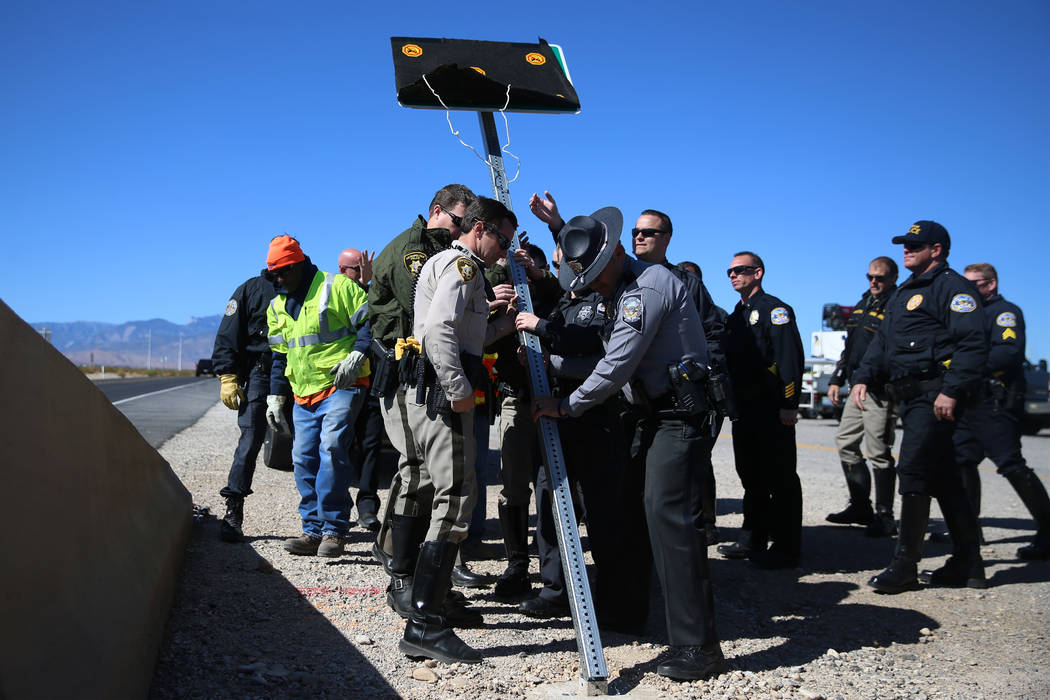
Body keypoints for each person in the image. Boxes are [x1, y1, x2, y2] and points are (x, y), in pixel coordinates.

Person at [533, 208, 728, 682]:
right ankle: (629, 613)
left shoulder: (649, 288)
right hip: (649, 415)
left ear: (619, 254)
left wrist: (566, 406)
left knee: (669, 518)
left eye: (599, 273)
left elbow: (616, 363)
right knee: (633, 514)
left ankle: (697, 646)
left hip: (678, 416)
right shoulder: (621, 286)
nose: (594, 284)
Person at [397, 197, 518, 664]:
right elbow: (438, 332)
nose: (502, 251)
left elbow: (468, 334)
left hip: (440, 391)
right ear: (480, 228)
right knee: (456, 499)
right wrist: (458, 388)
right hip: (446, 395)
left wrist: (501, 323)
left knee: (446, 495)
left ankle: (432, 602)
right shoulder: (463, 267)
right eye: (501, 240)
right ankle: (424, 623)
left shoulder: (458, 267)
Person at [367, 184, 491, 607]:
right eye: (460, 219)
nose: (463, 227)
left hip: (423, 370)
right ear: (438, 212)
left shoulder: (444, 256)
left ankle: (411, 570)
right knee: (417, 471)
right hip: (410, 371)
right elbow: (431, 319)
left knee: (421, 473)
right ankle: (401, 573)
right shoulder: (414, 253)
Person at [850, 220, 989, 593]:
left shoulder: (953, 289)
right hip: (910, 397)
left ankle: (905, 565)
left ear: (937, 249)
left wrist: (953, 390)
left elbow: (973, 343)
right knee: (943, 480)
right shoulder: (904, 293)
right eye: (905, 244)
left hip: (937, 396)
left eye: (915, 244)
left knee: (912, 471)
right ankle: (969, 563)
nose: (907, 249)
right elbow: (882, 343)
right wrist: (863, 376)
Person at [264, 234, 371, 558]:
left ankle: (334, 531)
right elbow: (280, 356)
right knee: (302, 457)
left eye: (283, 272)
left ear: (299, 265)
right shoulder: (277, 306)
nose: (279, 280)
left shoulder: (337, 287)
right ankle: (312, 529)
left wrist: (356, 356)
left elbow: (369, 324)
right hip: (303, 393)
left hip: (342, 385)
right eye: (274, 275)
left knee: (332, 447)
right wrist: (275, 396)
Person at [953, 263, 1049, 560]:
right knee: (962, 460)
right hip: (971, 400)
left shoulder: (1004, 312)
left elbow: (1007, 352)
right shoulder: (972, 314)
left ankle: (1048, 531)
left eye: (974, 284)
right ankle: (970, 530)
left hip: (996, 400)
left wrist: (966, 365)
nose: (968, 290)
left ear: (991, 284)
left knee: (1011, 464)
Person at [484, 241, 562, 599]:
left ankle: (556, 568)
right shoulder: (500, 300)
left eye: (527, 270)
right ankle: (516, 564)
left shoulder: (554, 300)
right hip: (516, 399)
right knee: (513, 486)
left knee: (554, 488)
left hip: (554, 403)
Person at [719, 251, 805, 569]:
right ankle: (753, 537)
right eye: (729, 272)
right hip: (745, 409)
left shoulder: (775, 311)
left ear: (758, 273)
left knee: (780, 478)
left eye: (740, 270)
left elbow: (790, 361)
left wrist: (789, 404)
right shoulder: (736, 315)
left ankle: (786, 547)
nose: (733, 275)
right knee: (751, 476)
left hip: (771, 409)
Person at [825, 256, 900, 537]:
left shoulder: (896, 305)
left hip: (879, 389)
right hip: (856, 386)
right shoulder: (864, 303)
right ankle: (860, 506)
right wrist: (837, 378)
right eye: (870, 276)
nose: (873, 282)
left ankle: (885, 516)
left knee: (879, 451)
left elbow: (888, 350)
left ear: (892, 278)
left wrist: (869, 380)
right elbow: (851, 347)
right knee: (845, 442)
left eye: (879, 278)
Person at [211, 270, 281, 542]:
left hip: (298, 374)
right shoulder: (250, 290)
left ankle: (321, 522)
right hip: (259, 373)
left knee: (310, 444)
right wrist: (228, 375)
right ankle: (233, 509)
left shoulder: (308, 286)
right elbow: (228, 335)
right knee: (250, 439)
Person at [338, 247, 383, 531]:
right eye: (359, 269)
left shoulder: (371, 294)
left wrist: (368, 284)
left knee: (371, 447)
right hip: (346, 385)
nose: (365, 273)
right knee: (338, 448)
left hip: (373, 382)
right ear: (345, 270)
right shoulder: (335, 296)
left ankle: (367, 507)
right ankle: (339, 508)